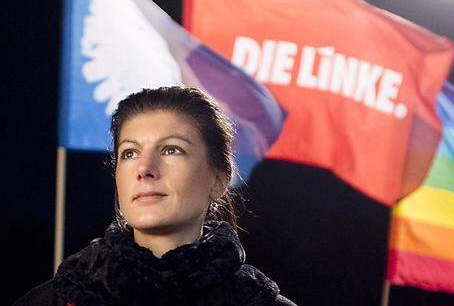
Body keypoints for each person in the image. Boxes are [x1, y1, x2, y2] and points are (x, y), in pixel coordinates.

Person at [15, 86, 296, 306]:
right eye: (130, 153)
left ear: (219, 180)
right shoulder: (55, 299)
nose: (145, 169)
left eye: (171, 149)